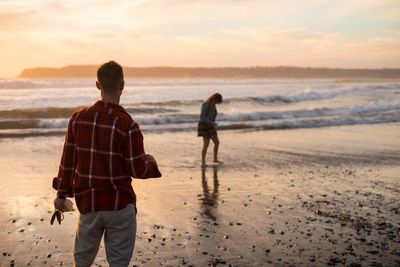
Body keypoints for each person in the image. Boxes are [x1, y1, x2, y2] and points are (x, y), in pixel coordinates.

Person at [52, 61, 162, 267]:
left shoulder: (78, 119)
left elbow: (67, 164)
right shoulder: (128, 125)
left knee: (82, 262)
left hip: (89, 204)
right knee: (118, 263)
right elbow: (136, 169)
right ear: (122, 86)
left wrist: (61, 194)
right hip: (119, 204)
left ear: (97, 85)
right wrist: (151, 164)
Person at [197, 93, 223, 167]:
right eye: (218, 101)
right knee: (206, 144)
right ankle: (203, 162)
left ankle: (215, 159)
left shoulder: (213, 105)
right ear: (215, 99)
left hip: (211, 125)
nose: (218, 103)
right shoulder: (206, 104)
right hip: (204, 125)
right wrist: (211, 122)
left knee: (217, 142)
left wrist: (213, 123)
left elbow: (212, 116)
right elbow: (202, 117)